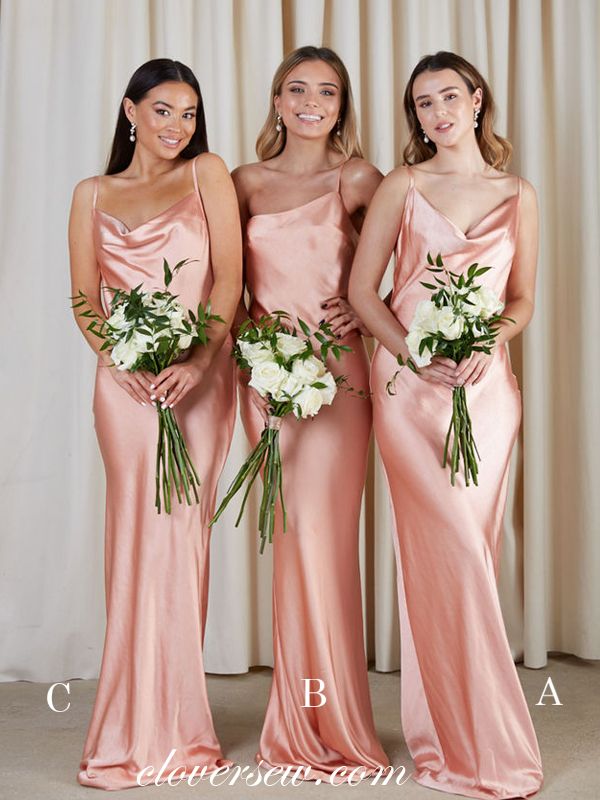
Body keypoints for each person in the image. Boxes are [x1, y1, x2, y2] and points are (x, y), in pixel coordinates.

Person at [349, 51, 543, 798]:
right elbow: (363, 293)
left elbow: (522, 298)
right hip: (408, 391)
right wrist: (413, 353)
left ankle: (458, 726)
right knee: (445, 553)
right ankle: (468, 738)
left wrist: (491, 338)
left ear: (477, 99)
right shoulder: (403, 185)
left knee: (474, 554)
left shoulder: (517, 193)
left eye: (448, 97)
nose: (436, 113)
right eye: (422, 103)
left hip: (487, 396)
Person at [69, 58, 242, 789]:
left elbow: (229, 279)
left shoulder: (209, 175)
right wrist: (121, 358)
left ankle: (177, 723)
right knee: (134, 542)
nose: (178, 127)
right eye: (164, 110)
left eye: (190, 113)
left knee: (181, 541)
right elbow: (84, 300)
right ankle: (127, 725)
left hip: (198, 382)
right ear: (130, 111)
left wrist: (200, 361)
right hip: (125, 389)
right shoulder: (91, 194)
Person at [232, 46, 389, 781]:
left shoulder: (358, 178)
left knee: (325, 543)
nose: (310, 103)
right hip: (264, 379)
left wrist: (365, 309)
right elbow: (223, 286)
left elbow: (409, 262)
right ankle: (295, 720)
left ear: (341, 104)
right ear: (276, 98)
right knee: (290, 542)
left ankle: (335, 721)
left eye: (325, 92)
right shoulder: (245, 182)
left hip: (338, 378)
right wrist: (244, 355)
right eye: (297, 89)